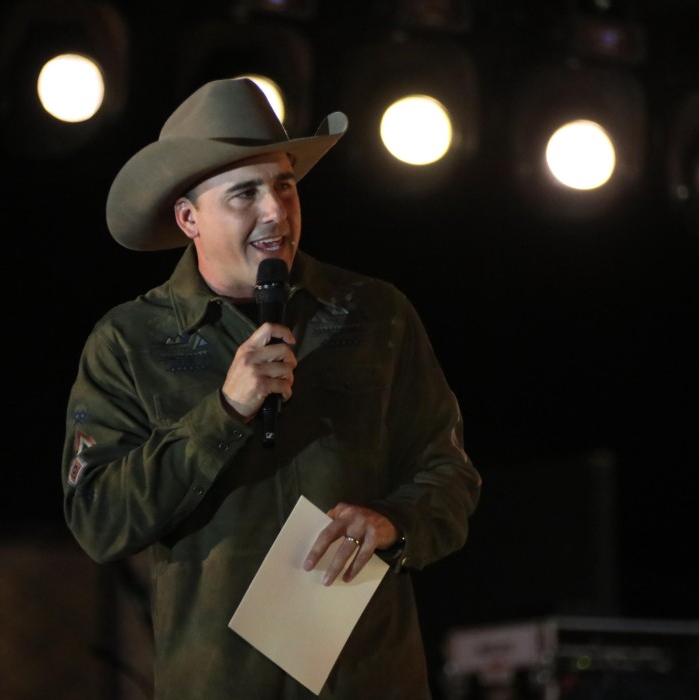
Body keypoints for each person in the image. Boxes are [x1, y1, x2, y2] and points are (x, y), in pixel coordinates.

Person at [61, 77, 481, 699]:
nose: (276, 212)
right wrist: (224, 410)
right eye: (244, 193)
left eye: (284, 185)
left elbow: (450, 475)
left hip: (368, 680)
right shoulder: (130, 341)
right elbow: (98, 519)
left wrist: (393, 521)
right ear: (188, 217)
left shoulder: (374, 314)